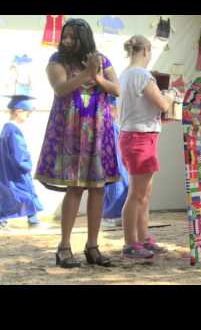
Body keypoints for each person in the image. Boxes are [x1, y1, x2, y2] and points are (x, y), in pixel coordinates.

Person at [35, 18, 120, 268]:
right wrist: (87, 74)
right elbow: (60, 88)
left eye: (73, 36)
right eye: (66, 35)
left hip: (98, 130)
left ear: (85, 37)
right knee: (75, 187)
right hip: (70, 132)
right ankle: (63, 248)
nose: (67, 40)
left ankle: (92, 247)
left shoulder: (101, 59)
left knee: (98, 188)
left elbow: (116, 89)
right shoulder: (57, 60)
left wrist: (99, 78)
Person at [118, 34, 176, 259]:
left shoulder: (125, 75)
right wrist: (170, 94)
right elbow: (162, 104)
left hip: (139, 136)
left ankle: (143, 239)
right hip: (139, 138)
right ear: (146, 51)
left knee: (144, 193)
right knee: (137, 194)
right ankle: (130, 243)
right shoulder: (142, 75)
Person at [0, 95, 43, 228]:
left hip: (8, 171)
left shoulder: (6, 129)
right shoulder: (13, 130)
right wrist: (27, 166)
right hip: (17, 171)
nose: (28, 116)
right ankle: (32, 220)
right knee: (24, 194)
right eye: (28, 113)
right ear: (18, 111)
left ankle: (32, 219)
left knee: (12, 195)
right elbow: (19, 153)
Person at [102, 95, 128, 228]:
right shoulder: (110, 127)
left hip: (119, 166)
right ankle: (113, 215)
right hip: (115, 166)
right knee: (115, 186)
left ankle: (115, 215)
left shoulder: (114, 126)